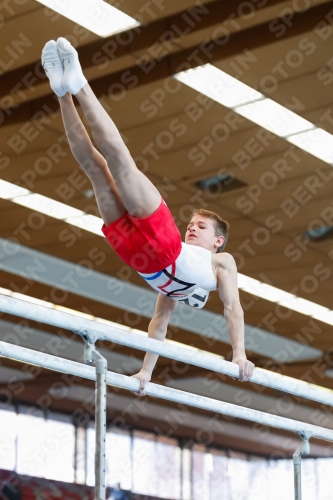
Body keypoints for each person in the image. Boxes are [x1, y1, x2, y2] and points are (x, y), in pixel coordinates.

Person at [41, 38, 255, 396]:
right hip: (161, 245)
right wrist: (147, 372)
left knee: (94, 168)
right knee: (117, 159)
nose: (193, 226)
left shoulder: (222, 263)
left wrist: (237, 355)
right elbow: (161, 320)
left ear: (218, 240)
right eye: (192, 222)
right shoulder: (186, 255)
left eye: (201, 227)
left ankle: (60, 91)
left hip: (140, 258)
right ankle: (77, 83)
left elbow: (227, 308)